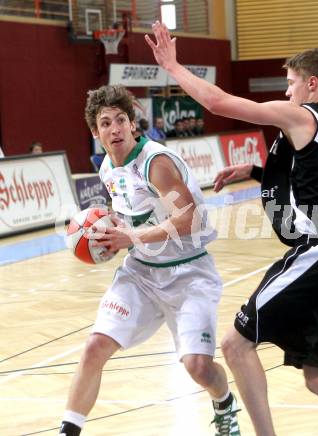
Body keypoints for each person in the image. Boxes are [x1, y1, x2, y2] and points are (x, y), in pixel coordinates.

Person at [146, 22, 318, 436]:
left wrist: (173, 67)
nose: (287, 90)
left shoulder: (301, 115)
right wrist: (258, 170)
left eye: (291, 83)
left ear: (312, 84)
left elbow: (219, 102)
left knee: (235, 345)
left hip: (314, 254)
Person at [58, 85, 241, 436]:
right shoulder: (107, 168)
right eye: (106, 123)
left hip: (190, 273)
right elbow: (128, 213)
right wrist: (111, 235)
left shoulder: (155, 163)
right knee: (95, 346)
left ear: (132, 125)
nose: (115, 129)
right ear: (95, 132)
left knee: (198, 367)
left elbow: (190, 220)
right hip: (141, 273)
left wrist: (132, 237)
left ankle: (225, 403)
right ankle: (68, 431)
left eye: (121, 120)